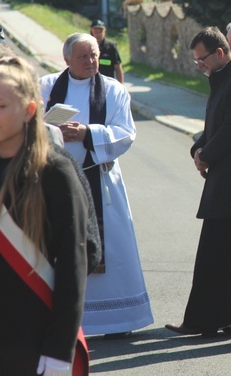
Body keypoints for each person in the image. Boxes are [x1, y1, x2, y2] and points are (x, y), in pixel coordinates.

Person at [0, 56, 89, 375]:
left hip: (33, 341)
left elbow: (73, 265)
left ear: (29, 110)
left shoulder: (55, 172)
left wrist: (59, 351)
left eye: (1, 106)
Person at [40, 33, 152, 337]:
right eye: (83, 57)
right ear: (66, 60)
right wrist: (54, 131)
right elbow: (30, 125)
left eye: (94, 55)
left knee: (112, 247)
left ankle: (119, 320)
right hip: (56, 182)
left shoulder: (114, 90)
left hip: (100, 180)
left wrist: (88, 133)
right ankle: (67, 319)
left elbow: (125, 133)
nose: (91, 62)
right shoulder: (47, 86)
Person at [165, 26, 231, 337]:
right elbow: (213, 126)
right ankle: (222, 318)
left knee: (221, 256)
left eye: (201, 59)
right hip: (225, 181)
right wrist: (198, 148)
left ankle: (207, 320)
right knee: (223, 256)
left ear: (220, 53)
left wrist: (206, 154)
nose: (199, 65)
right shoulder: (223, 78)